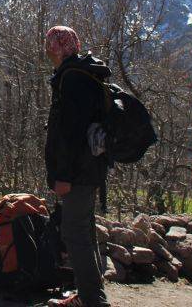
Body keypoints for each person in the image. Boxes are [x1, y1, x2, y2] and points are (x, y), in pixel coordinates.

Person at [44, 26, 111, 307]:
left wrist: (62, 175)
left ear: (57, 48)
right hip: (91, 167)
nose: (47, 51)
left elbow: (70, 134)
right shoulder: (84, 74)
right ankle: (90, 295)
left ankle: (92, 299)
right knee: (84, 230)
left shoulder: (72, 79)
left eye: (50, 45)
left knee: (74, 233)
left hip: (77, 172)